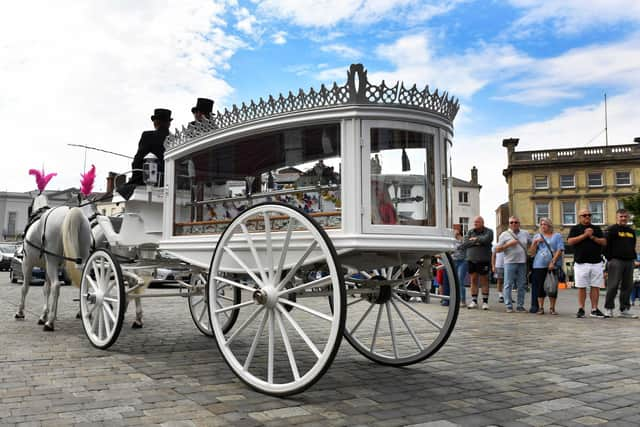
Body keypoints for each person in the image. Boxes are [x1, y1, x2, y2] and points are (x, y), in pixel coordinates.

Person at [567, 208, 607, 318]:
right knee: (581, 286)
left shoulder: (596, 228)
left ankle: (594, 309)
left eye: (589, 215)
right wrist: (584, 235)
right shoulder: (575, 228)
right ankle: (581, 308)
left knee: (595, 286)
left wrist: (592, 237)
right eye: (584, 215)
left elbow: (604, 242)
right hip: (581, 263)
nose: (587, 217)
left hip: (596, 262)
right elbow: (570, 241)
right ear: (579, 217)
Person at [603, 209, 638, 318]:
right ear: (617, 217)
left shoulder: (631, 231)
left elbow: (633, 245)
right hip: (616, 261)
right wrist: (610, 259)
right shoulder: (611, 230)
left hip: (629, 261)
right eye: (621, 216)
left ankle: (624, 310)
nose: (623, 218)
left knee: (627, 286)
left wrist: (633, 258)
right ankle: (609, 308)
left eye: (625, 216)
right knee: (613, 286)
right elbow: (604, 245)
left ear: (627, 218)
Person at [529, 218, 564, 315]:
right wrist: (535, 242)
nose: (543, 226)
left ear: (550, 226)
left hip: (552, 265)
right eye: (541, 224)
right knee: (540, 287)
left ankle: (552, 308)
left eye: (545, 224)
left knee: (552, 286)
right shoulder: (537, 236)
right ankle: (541, 307)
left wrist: (553, 262)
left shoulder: (557, 236)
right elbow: (531, 252)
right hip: (538, 264)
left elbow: (560, 249)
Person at [129, 108, 172, 185]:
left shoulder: (148, 136)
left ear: (155, 122)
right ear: (169, 123)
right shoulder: (174, 139)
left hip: (151, 180)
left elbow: (137, 161)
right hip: (171, 180)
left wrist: (135, 178)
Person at [497, 216, 531, 313]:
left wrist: (531, 249)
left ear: (519, 223)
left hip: (522, 262)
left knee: (522, 285)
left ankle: (520, 305)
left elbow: (530, 244)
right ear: (509, 224)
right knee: (508, 284)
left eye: (516, 222)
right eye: (511, 222)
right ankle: (508, 305)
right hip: (509, 262)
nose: (514, 224)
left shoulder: (525, 233)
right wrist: (508, 244)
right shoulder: (504, 235)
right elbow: (497, 250)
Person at [460, 216, 493, 310]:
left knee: (484, 280)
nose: (475, 224)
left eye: (477, 222)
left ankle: (485, 302)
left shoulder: (489, 231)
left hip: (483, 259)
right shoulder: (470, 232)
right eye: (474, 222)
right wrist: (479, 241)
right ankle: (474, 301)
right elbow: (465, 243)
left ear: (482, 222)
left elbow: (487, 239)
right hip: (471, 259)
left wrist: (475, 240)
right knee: (473, 279)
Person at [451, 227, 467, 306]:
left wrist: (459, 238)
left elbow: (465, 246)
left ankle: (462, 300)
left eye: (456, 230)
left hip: (462, 261)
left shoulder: (463, 239)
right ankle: (455, 300)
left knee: (460, 280)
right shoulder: (451, 240)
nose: (454, 232)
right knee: (454, 281)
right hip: (454, 261)